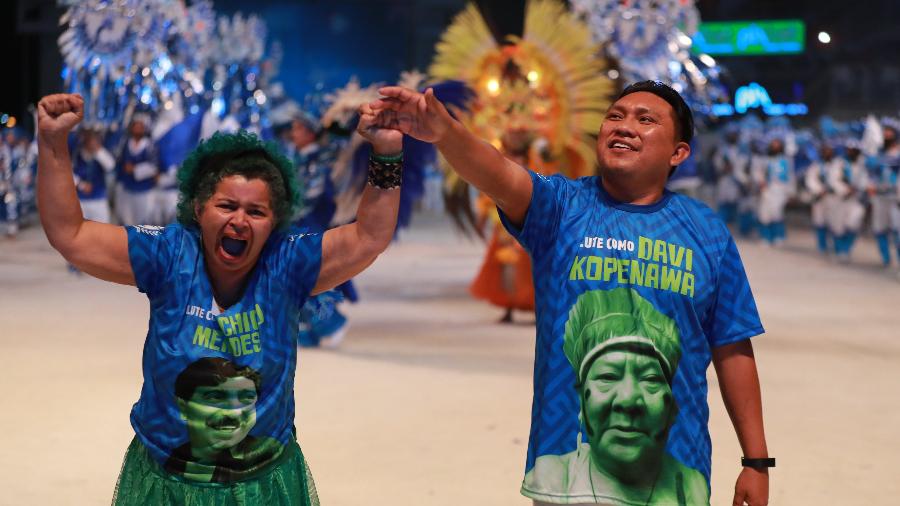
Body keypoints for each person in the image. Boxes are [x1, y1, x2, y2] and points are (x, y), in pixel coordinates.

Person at [368, 80, 771, 505]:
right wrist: (446, 133)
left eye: (645, 120)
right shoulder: (560, 207)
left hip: (673, 482)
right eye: (615, 116)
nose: (624, 126)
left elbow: (732, 346)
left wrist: (756, 460)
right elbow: (496, 171)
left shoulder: (706, 232)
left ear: (678, 153)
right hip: (568, 487)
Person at [36, 93, 402, 505]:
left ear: (274, 222)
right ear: (198, 207)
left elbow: (369, 237)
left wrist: (387, 152)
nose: (239, 221)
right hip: (165, 481)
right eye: (226, 205)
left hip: (264, 484)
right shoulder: (169, 256)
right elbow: (71, 235)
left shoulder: (288, 263)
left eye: (256, 212)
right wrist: (52, 143)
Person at [525, 288, 708, 504]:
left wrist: (755, 461)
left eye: (650, 379)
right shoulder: (555, 478)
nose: (628, 399)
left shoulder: (689, 485)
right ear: (581, 399)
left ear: (672, 406)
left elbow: (733, 346)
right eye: (608, 377)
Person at [164, 357, 281, 483]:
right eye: (215, 397)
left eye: (246, 398)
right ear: (183, 407)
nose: (234, 413)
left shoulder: (269, 455)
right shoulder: (168, 458)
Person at [114, 113, 159, 225]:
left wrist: (135, 169)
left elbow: (154, 167)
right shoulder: (125, 143)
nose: (137, 129)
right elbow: (119, 161)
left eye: (140, 126)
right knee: (127, 220)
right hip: (127, 188)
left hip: (144, 190)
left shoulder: (149, 145)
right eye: (136, 126)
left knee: (143, 221)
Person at [805, 143, 839, 256]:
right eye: (825, 150)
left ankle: (837, 247)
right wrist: (819, 190)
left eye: (829, 150)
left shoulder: (838, 164)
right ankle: (822, 246)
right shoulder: (816, 166)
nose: (827, 152)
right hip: (820, 197)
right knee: (819, 221)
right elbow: (810, 180)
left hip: (835, 197)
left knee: (834, 222)